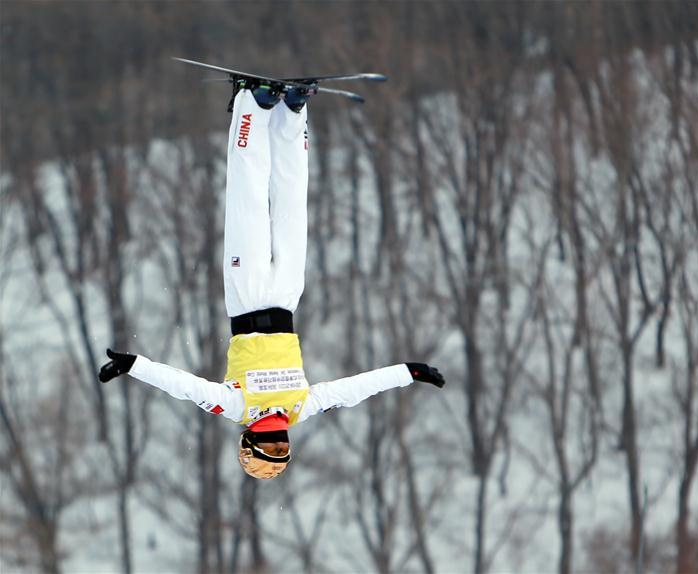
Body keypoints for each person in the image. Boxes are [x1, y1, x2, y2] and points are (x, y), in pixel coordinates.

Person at [99, 80, 444, 480]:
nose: (280, 441)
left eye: (275, 447)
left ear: (263, 443)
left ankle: (273, 109)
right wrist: (408, 372)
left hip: (266, 296)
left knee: (269, 202)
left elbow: (187, 387)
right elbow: (352, 389)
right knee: (270, 203)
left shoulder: (268, 408)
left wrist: (133, 365)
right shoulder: (269, 408)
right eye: (280, 448)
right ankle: (273, 109)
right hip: (266, 298)